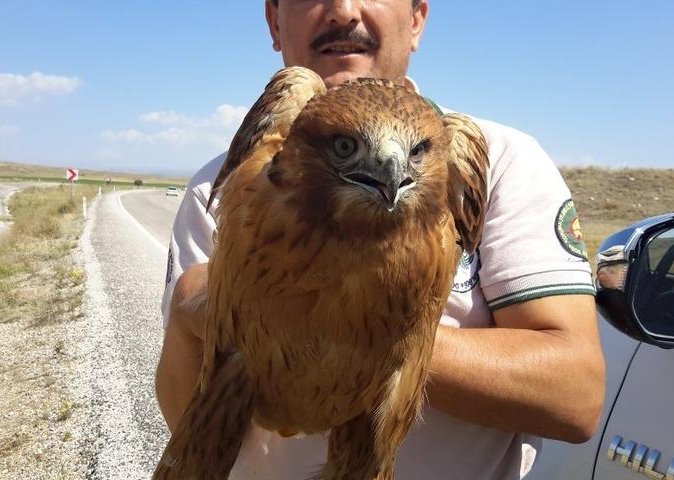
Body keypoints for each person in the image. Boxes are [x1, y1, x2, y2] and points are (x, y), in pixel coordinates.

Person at [157, 1, 606, 478]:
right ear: (274, 21)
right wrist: (192, 312)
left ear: (416, 20)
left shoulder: (501, 160)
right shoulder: (226, 181)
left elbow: (575, 396)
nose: (341, 10)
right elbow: (189, 422)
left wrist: (363, 335)